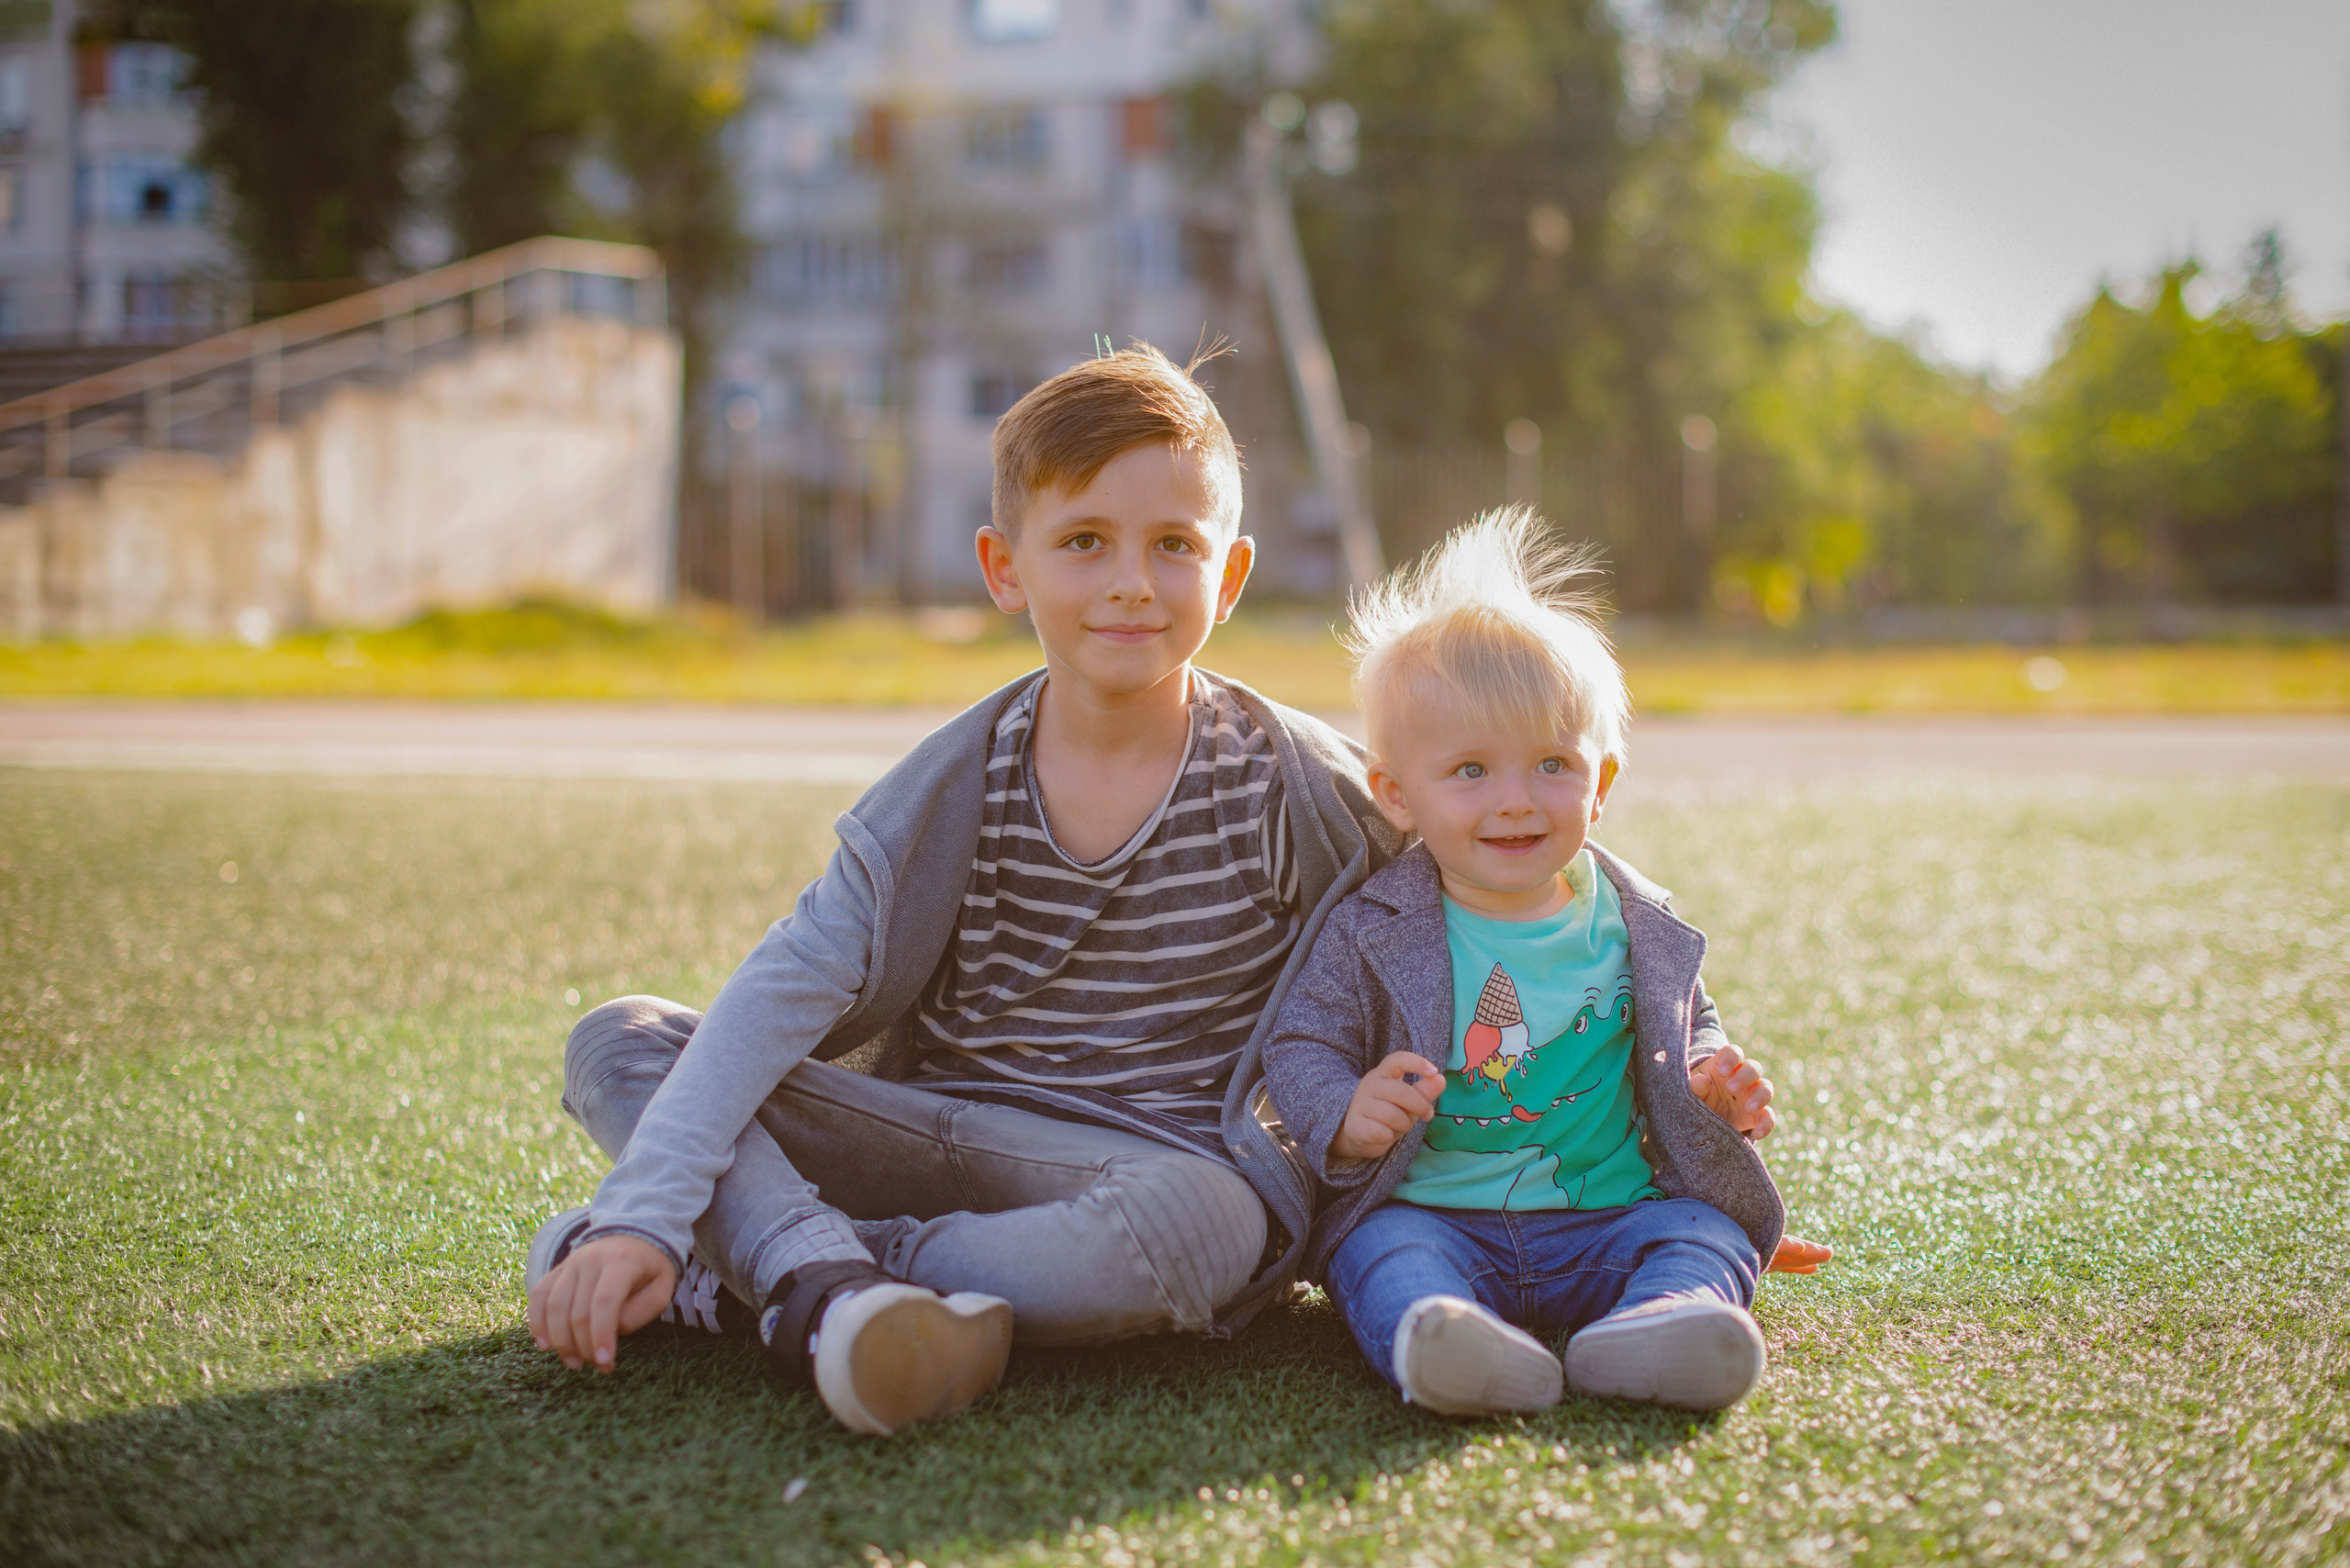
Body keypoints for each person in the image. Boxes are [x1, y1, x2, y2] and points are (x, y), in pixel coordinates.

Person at [523, 344, 1402, 1436]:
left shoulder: (1292, 780)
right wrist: (644, 1218)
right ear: (1005, 567)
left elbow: (1488, 856)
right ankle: (811, 1283)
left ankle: (776, 1271)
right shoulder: (950, 783)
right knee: (624, 1038)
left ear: (1226, 580)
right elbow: (789, 981)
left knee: (1214, 1222)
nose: (1130, 580)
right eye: (1083, 542)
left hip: (1138, 1170)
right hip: (915, 1135)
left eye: (1172, 545)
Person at [1259, 508, 1827, 1417]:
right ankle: (1440, 1339)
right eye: (1471, 771)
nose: (1517, 801)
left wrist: (1712, 1079)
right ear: (1397, 794)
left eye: (1552, 765)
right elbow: (1300, 1039)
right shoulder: (1377, 923)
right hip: (1436, 1221)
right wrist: (1345, 1111)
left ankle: (1661, 1322)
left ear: (1600, 784)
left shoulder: (1635, 920)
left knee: (1707, 1229)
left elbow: (1691, 1026)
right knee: (1373, 1255)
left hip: (1609, 1216)